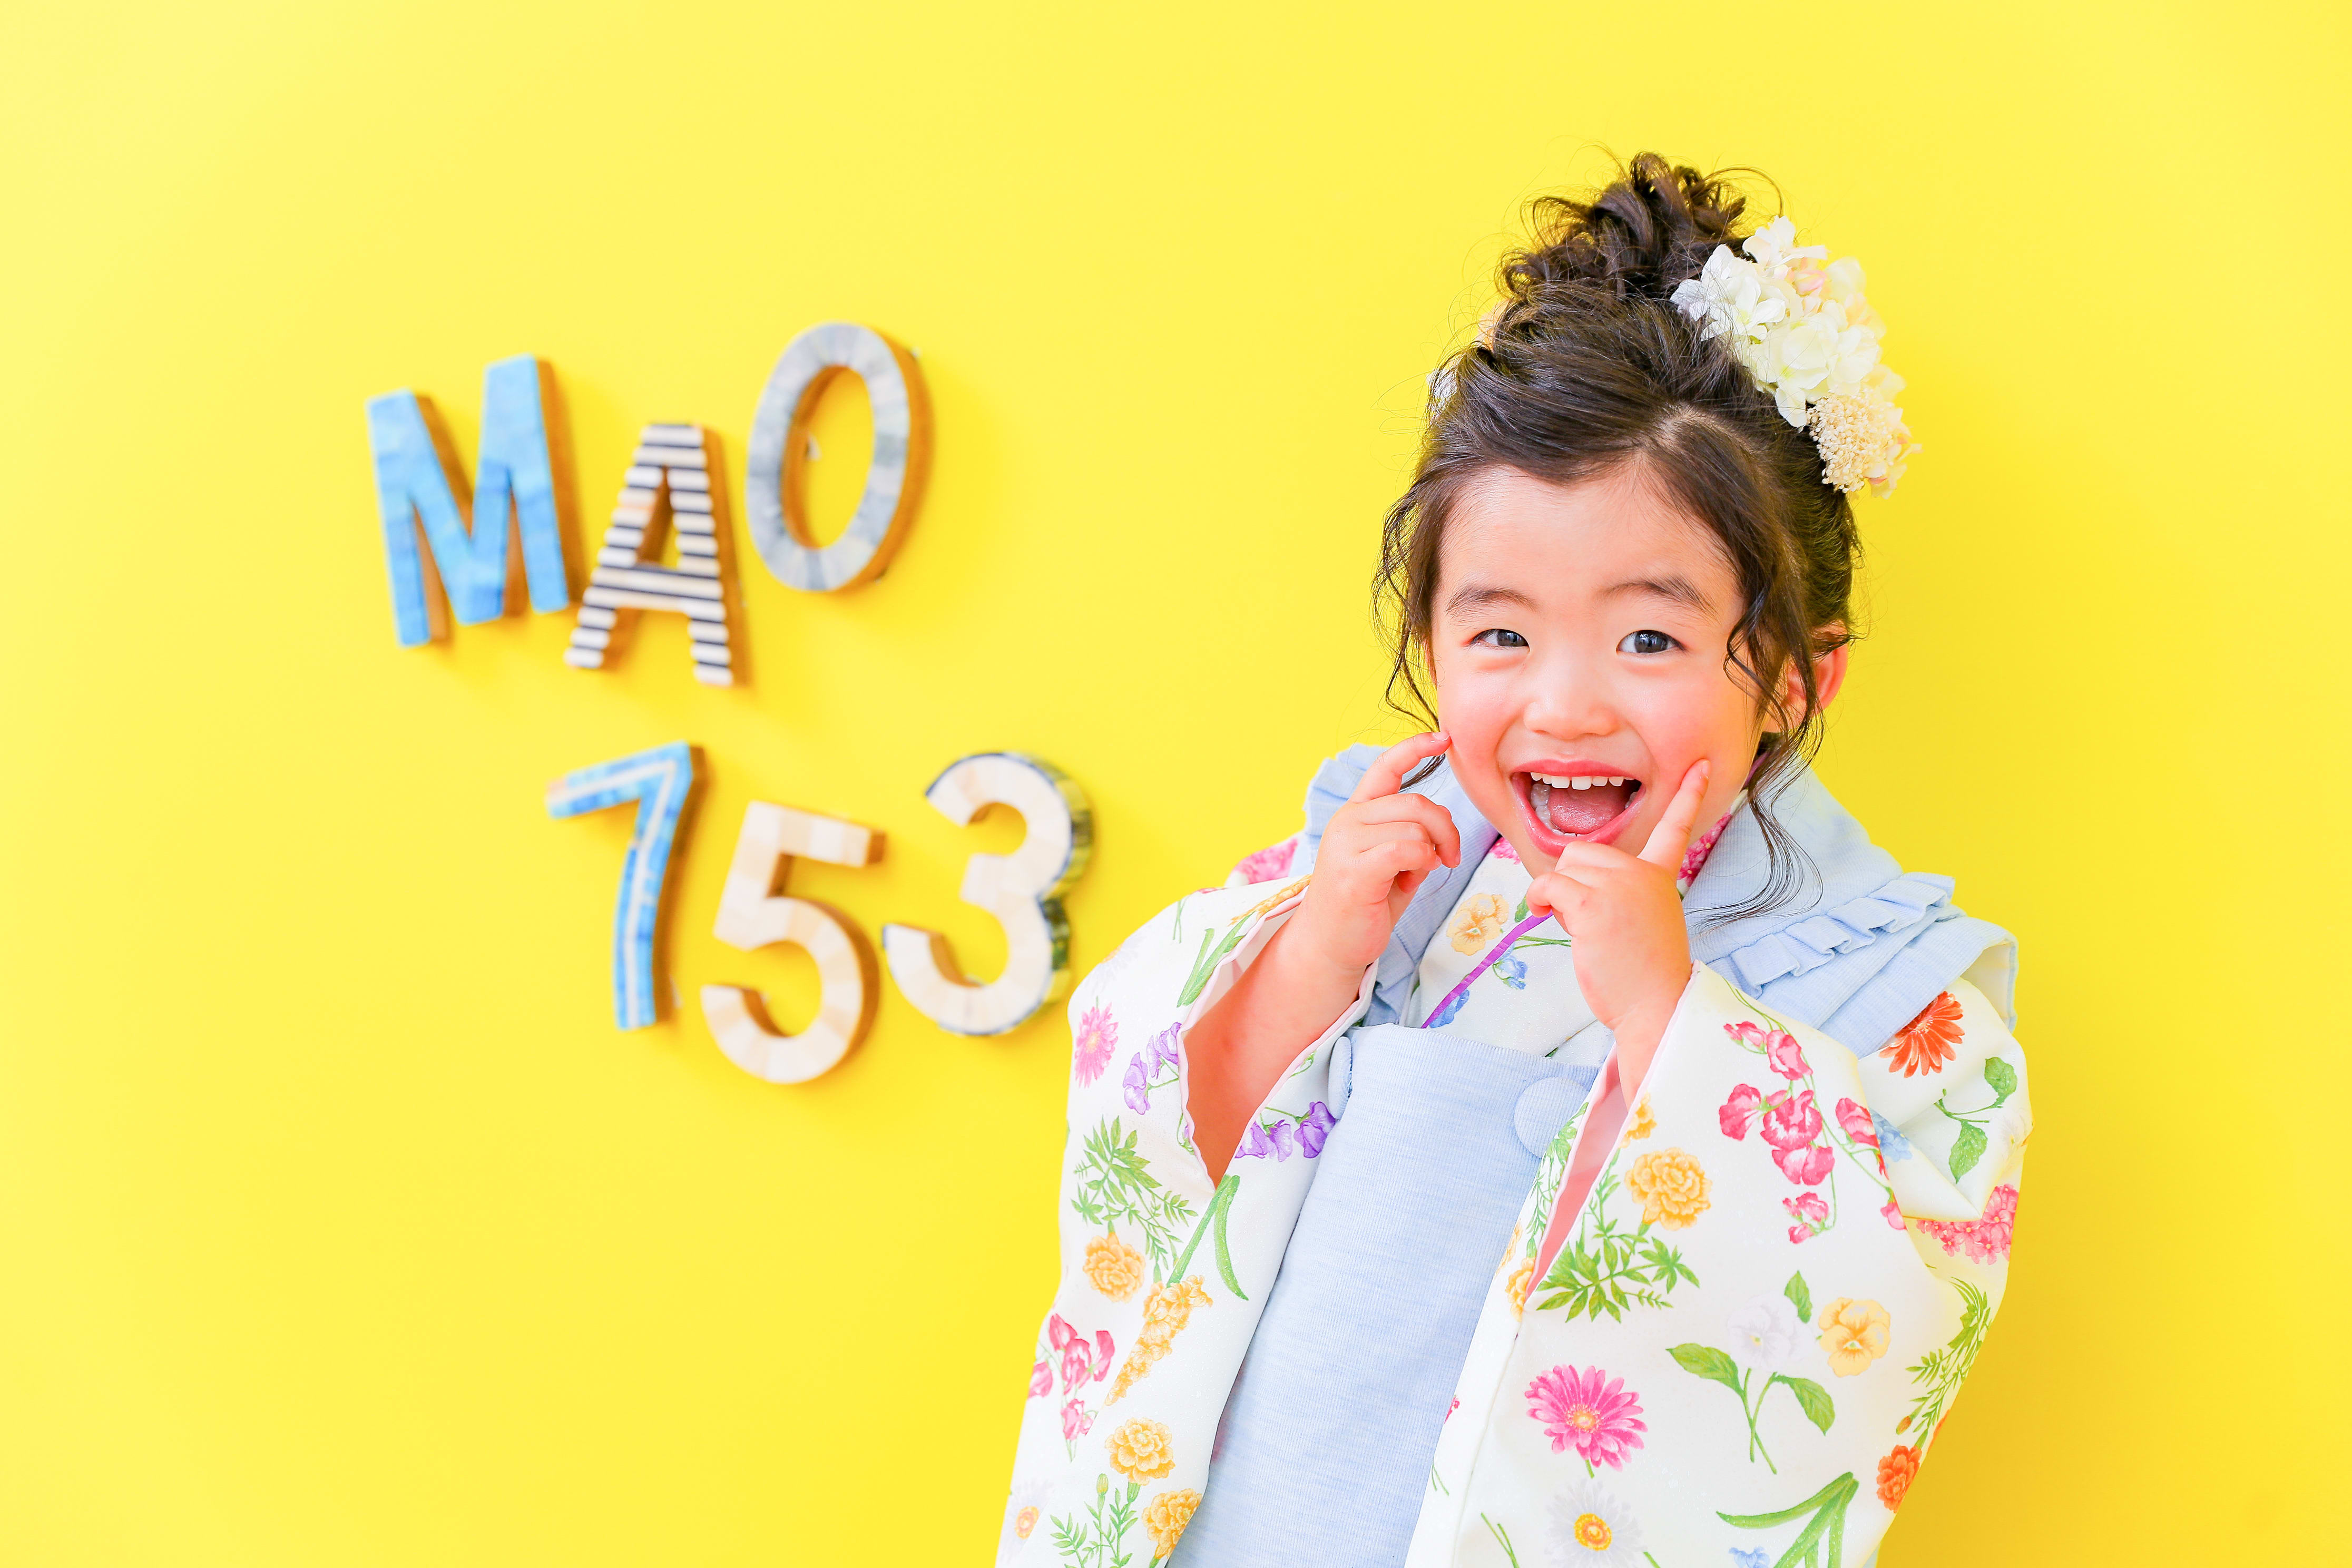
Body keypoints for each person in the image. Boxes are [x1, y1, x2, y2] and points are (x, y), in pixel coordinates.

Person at [997, 154, 2026, 1568]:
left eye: (1650, 638)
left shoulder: (1883, 982)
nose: (1564, 702)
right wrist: (1309, 959)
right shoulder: (1387, 871)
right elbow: (1158, 1161)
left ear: (1796, 678)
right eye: (1499, 633)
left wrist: (1673, 1021)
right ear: (1430, 647)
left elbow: (1880, 1338)